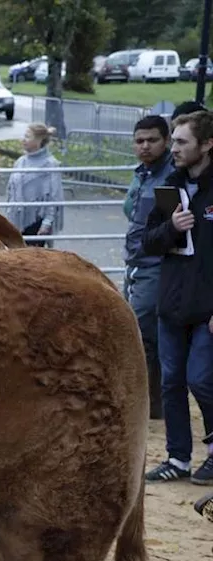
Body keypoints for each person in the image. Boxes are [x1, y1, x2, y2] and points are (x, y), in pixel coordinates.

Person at [143, 110, 213, 489]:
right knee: (171, 382)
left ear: (207, 144)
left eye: (183, 141)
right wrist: (171, 227)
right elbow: (147, 242)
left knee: (201, 380)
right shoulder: (169, 187)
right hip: (171, 303)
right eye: (175, 140)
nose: (174, 148)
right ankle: (178, 457)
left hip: (207, 308)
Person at [124, 115, 177, 421]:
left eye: (152, 140)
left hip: (156, 265)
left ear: (165, 141)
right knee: (137, 330)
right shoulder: (141, 174)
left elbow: (171, 227)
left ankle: (151, 402)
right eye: (139, 141)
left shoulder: (171, 177)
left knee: (145, 333)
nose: (144, 146)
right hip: (133, 262)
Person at [5, 124, 64, 248]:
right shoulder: (20, 162)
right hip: (17, 219)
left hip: (37, 220)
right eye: (24, 136)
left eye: (27, 137)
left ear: (39, 140)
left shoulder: (50, 164)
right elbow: (12, 191)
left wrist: (47, 222)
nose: (23, 140)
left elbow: (54, 196)